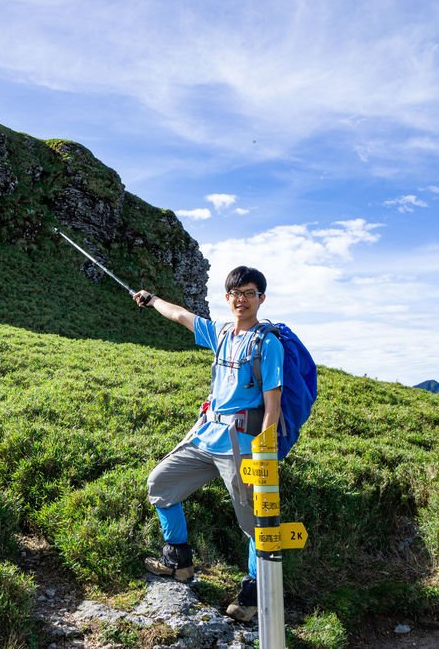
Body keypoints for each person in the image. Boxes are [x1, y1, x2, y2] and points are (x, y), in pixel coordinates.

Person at [133, 265, 283, 623]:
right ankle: (178, 561)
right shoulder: (219, 333)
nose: (241, 299)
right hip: (206, 437)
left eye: (249, 293)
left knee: (255, 521)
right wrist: (151, 300)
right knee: (161, 484)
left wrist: (265, 454)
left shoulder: (268, 343)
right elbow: (181, 315)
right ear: (227, 297)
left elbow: (273, 403)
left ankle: (253, 593)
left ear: (261, 298)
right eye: (235, 293)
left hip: (243, 443)